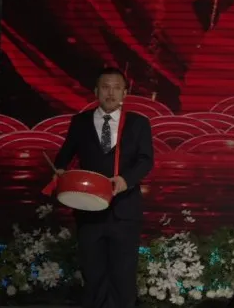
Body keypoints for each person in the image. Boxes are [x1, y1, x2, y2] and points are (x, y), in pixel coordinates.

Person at [53, 67, 154, 308]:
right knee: (93, 275)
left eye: (117, 88)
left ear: (125, 93)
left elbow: (146, 160)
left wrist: (126, 180)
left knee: (123, 277)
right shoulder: (80, 122)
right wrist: (60, 170)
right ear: (96, 91)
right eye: (105, 87)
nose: (111, 93)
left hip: (125, 212)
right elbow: (63, 157)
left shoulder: (139, 123)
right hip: (89, 211)